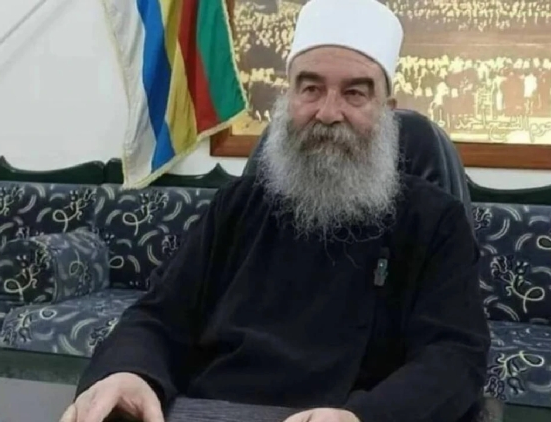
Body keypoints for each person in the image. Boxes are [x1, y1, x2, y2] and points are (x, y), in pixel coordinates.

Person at [60, 0, 490, 421]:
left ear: (386, 112)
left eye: (355, 93)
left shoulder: (435, 221)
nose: (328, 113)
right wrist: (129, 372)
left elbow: (455, 357)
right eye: (311, 89)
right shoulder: (236, 206)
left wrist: (363, 417)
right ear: (288, 99)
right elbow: (160, 315)